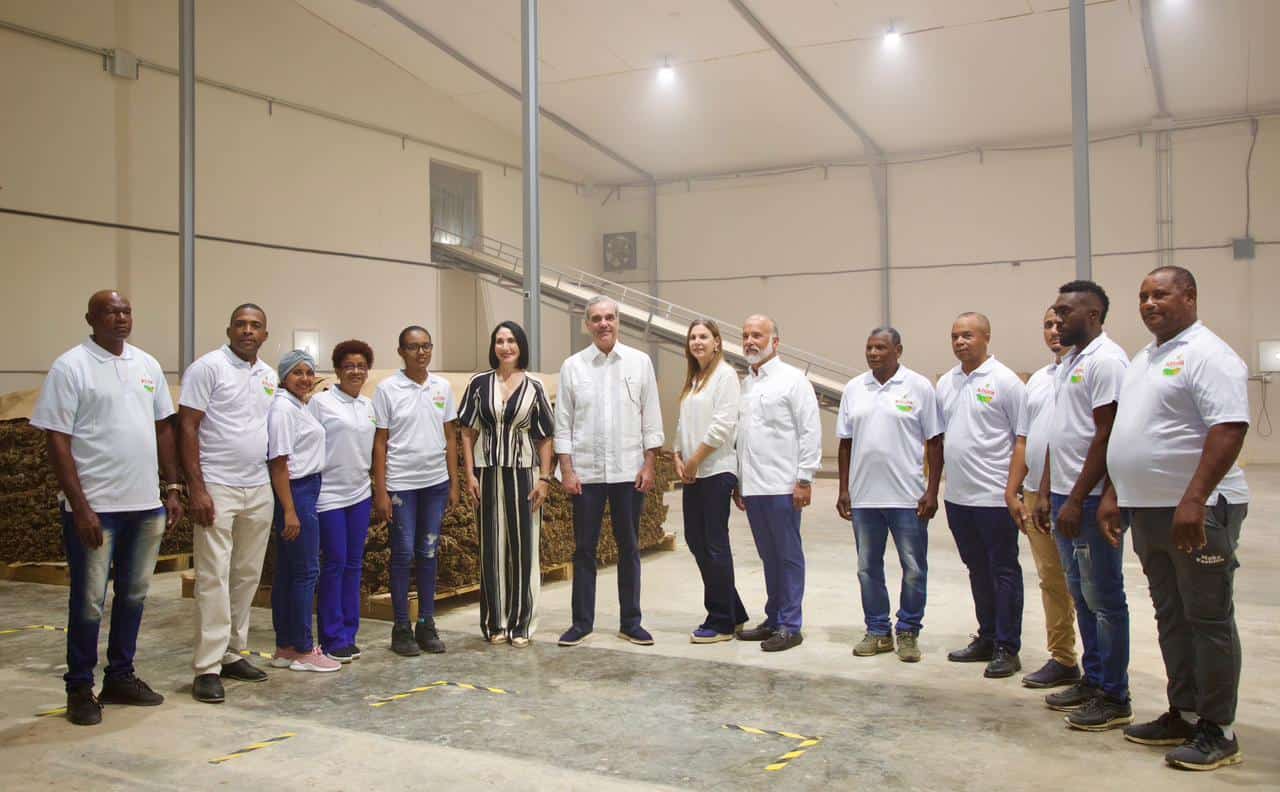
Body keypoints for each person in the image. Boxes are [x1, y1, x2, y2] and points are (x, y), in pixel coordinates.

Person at [1105, 266, 1249, 771]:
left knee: (1208, 617)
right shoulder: (1146, 357)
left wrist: (1196, 499)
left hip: (1197, 510)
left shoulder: (1209, 354)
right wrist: (1115, 494)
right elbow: (1130, 431)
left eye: (1160, 294)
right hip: (1149, 509)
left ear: (1189, 296)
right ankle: (1184, 712)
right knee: (1172, 615)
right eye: (1143, 296)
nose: (1148, 303)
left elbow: (1229, 428)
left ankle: (1218, 730)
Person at [30, 290, 183, 725]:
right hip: (97, 507)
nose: (120, 318)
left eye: (126, 311)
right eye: (110, 312)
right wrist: (80, 506)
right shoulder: (71, 366)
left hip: (145, 505)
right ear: (91, 319)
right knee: (89, 601)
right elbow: (57, 438)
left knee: (133, 595)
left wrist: (173, 487)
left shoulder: (147, 365)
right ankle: (79, 686)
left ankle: (120, 676)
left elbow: (163, 428)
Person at [1034, 280, 1133, 730]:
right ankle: (1093, 680)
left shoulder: (1106, 361)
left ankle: (1114, 695)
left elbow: (1107, 434)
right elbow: (1061, 432)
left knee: (1104, 598)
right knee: (1082, 595)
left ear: (1092, 315)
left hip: (1089, 502)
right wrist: (1047, 490)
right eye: (1055, 312)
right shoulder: (1071, 361)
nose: (1057, 320)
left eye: (1065, 312)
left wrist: (1076, 498)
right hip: (1065, 496)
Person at [180, 303, 278, 704]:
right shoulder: (207, 368)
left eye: (255, 325)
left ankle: (233, 652)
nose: (247, 331)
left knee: (246, 574)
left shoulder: (269, 375)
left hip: (257, 486)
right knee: (212, 576)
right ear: (229, 329)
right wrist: (196, 488)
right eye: (240, 324)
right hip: (217, 485)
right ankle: (207, 667)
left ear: (265, 334)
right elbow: (187, 426)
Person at [554, 297, 663, 647]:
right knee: (584, 550)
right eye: (597, 318)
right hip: (586, 475)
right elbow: (563, 422)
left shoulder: (639, 363)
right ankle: (581, 623)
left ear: (618, 321)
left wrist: (649, 463)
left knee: (629, 548)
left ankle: (631, 622)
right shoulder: (573, 367)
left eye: (609, 317)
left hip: (628, 472)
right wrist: (567, 470)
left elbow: (651, 417)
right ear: (587, 324)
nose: (604, 324)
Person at [836, 327, 942, 663]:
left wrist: (932, 490)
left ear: (898, 350)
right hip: (865, 498)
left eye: (881, 347)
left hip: (908, 498)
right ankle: (878, 631)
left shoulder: (919, 387)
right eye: (869, 347)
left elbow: (935, 442)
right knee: (867, 568)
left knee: (913, 567)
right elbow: (845, 443)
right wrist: (844, 489)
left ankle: (908, 631)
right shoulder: (854, 388)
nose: (873, 353)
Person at [937, 313, 1027, 678]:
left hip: (994, 497)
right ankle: (987, 636)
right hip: (958, 497)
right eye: (955, 336)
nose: (960, 342)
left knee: (1003, 570)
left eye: (967, 335)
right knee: (977, 569)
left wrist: (1013, 490)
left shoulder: (1006, 381)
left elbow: (1022, 439)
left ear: (986, 337)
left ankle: (1008, 646)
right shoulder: (947, 382)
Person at [459, 322, 556, 647]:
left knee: (524, 549)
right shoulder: (478, 384)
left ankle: (522, 623)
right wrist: (470, 474)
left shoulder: (535, 387)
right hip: (487, 473)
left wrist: (545, 478)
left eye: (511, 340)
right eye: (499, 341)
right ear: (493, 346)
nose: (505, 346)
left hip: (524, 474)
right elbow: (467, 431)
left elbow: (545, 436)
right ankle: (495, 622)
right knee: (491, 549)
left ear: (521, 345)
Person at [733, 315, 821, 653]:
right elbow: (743, 437)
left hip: (783, 485)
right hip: (754, 487)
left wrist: (804, 478)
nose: (750, 341)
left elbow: (810, 431)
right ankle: (773, 618)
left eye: (757, 335)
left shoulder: (793, 381)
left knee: (788, 556)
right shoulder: (746, 384)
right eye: (745, 335)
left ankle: (790, 625)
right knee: (768, 556)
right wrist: (741, 481)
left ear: (775, 342)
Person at [372, 326, 460, 657]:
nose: (421, 352)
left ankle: (426, 622)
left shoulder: (442, 387)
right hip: (402, 487)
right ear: (401, 352)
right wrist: (381, 490)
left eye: (425, 346)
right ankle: (401, 627)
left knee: (428, 552)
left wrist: (453, 482)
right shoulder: (387, 389)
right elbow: (380, 442)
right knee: (403, 553)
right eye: (413, 347)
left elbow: (450, 436)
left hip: (435, 484)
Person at [1005, 308, 1081, 689]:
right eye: (1048, 325)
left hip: (1076, 493)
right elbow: (1023, 439)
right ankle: (1063, 658)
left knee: (1086, 585)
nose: (1054, 331)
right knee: (1051, 579)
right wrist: (1013, 490)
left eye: (1060, 324)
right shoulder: (1037, 380)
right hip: (1036, 493)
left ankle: (1102, 670)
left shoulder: (1092, 370)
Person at [673, 319, 749, 643]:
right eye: (693, 337)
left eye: (704, 336)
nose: (697, 341)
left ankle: (720, 622)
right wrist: (678, 454)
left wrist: (694, 460)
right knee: (695, 539)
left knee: (715, 543)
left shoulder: (725, 376)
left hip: (716, 470)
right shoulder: (695, 379)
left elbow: (722, 426)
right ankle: (734, 612)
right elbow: (684, 423)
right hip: (693, 472)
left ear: (717, 341)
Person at [266, 351, 337, 672]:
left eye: (309, 372)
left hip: (304, 489)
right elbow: (279, 463)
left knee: (289, 571)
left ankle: (286, 647)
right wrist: (290, 510)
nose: (305, 379)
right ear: (284, 377)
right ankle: (305, 649)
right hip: (296, 491)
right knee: (307, 571)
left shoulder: (298, 405)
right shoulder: (283, 409)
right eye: (297, 373)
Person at [307, 340, 376, 663]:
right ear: (337, 369)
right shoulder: (321, 404)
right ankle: (332, 636)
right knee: (334, 563)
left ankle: (350, 632)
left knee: (354, 564)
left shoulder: (368, 406)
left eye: (361, 366)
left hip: (359, 493)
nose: (355, 371)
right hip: (329, 495)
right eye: (349, 366)